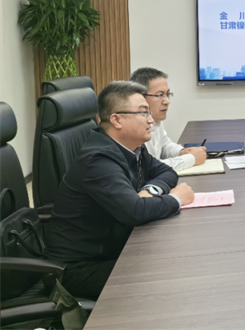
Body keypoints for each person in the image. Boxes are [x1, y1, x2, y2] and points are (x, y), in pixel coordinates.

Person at [46, 81, 195, 300]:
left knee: (172, 258)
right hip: (77, 269)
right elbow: (135, 212)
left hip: (111, 249)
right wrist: (176, 199)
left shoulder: (133, 148)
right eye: (143, 113)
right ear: (116, 120)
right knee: (163, 276)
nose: (151, 120)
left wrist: (149, 191)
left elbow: (167, 172)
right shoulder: (98, 160)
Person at [130, 67, 206, 171]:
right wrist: (191, 158)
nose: (167, 101)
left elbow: (164, 146)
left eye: (168, 94)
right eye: (160, 95)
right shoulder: (133, 126)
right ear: (140, 97)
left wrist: (182, 152)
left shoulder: (155, 118)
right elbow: (149, 168)